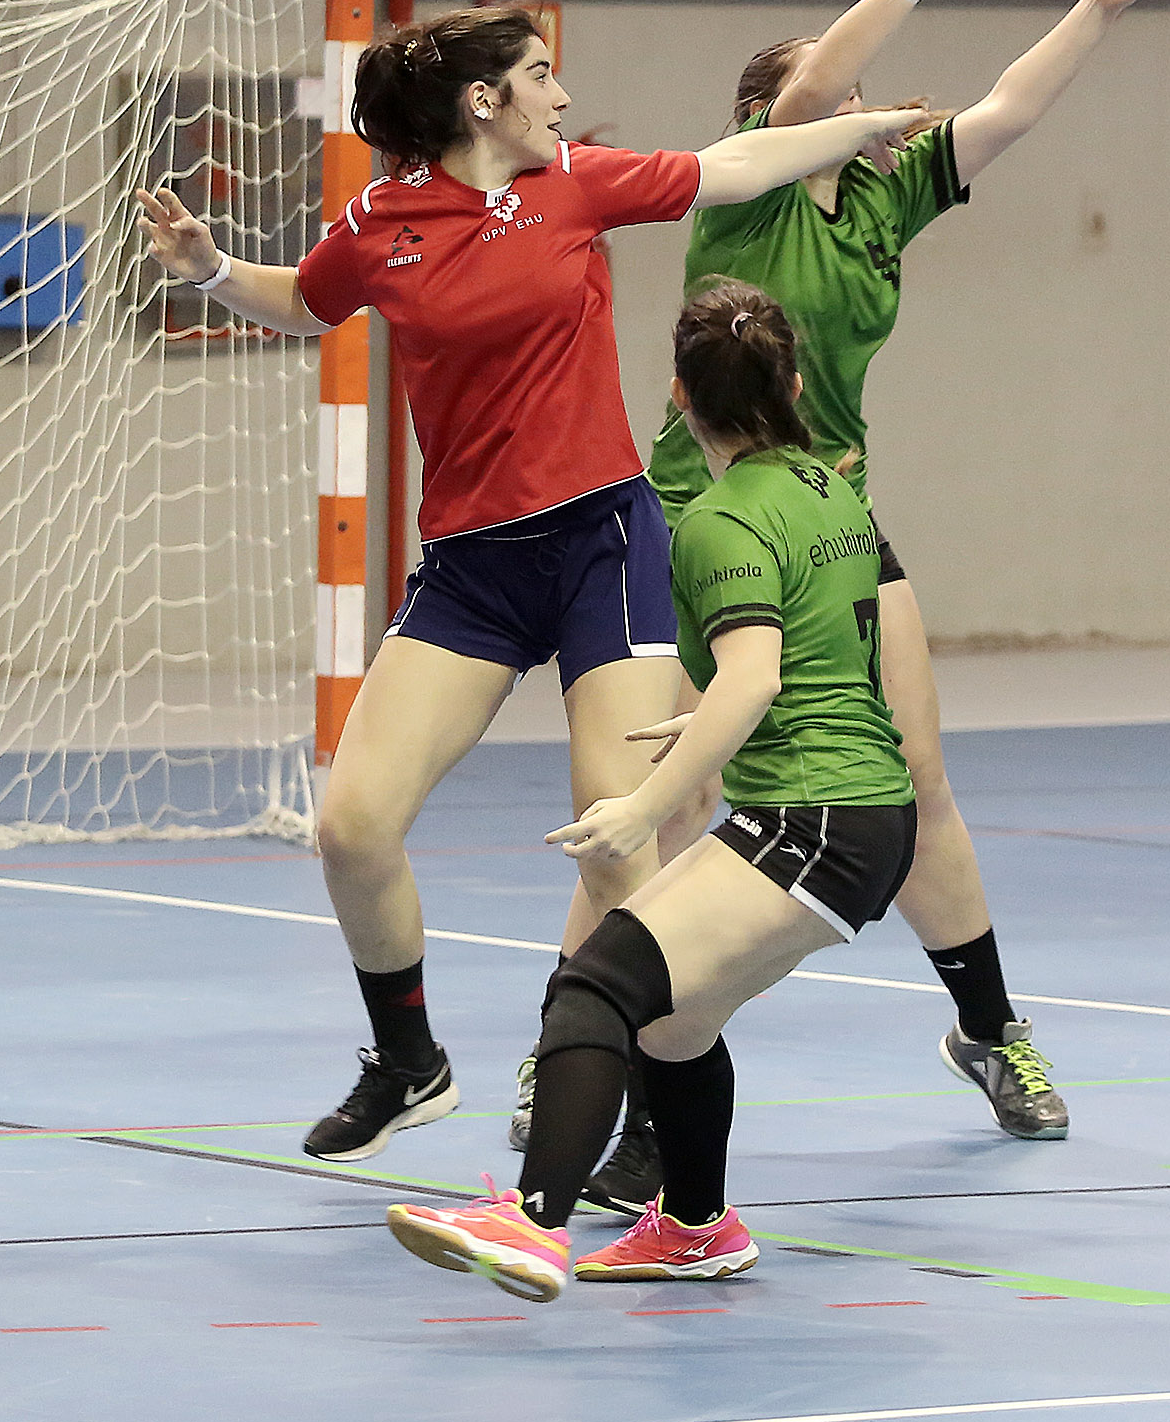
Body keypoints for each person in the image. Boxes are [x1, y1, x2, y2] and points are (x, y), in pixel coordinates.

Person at [135, 8, 932, 1165]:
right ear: (481, 102)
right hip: (472, 566)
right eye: (540, 77)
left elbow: (736, 161)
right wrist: (211, 270)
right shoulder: (381, 224)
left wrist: (856, 128)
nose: (560, 97)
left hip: (603, 546)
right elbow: (306, 301)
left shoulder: (577, 186)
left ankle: (630, 1110)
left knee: (620, 842)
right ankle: (408, 1063)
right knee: (351, 830)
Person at [566, 0, 1170, 1198]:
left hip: (834, 517)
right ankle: (588, 1042)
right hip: (704, 517)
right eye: (823, 86)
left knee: (914, 767)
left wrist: (1099, 2)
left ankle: (989, 1024)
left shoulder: (887, 200)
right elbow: (809, 98)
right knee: (666, 793)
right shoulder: (746, 195)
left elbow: (1010, 108)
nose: (859, 96)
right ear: (769, 115)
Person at [383, 280, 917, 1301]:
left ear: (674, 399)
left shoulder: (716, 521)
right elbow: (800, 657)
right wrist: (704, 720)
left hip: (815, 820)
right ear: (795, 383)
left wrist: (642, 802)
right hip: (858, 810)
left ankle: (535, 1221)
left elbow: (752, 674)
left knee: (596, 983)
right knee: (676, 1022)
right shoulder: (830, 485)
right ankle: (695, 1225)